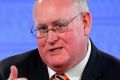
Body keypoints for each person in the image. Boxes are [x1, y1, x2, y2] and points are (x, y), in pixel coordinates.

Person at [0, 0, 120, 80]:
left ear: (85, 23)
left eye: (60, 26)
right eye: (42, 28)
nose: (50, 39)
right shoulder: (5, 72)